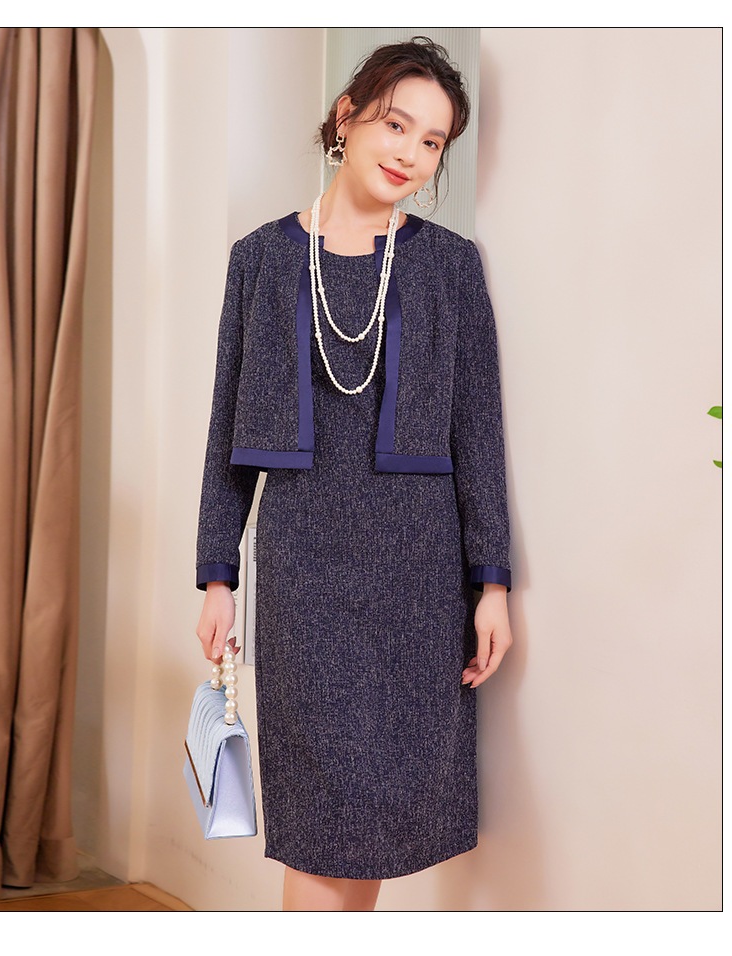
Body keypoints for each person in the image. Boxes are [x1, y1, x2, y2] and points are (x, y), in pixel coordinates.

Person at [195, 35, 513, 912]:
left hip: (418, 581)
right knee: (321, 818)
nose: (410, 152)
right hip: (303, 574)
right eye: (395, 124)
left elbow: (478, 432)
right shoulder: (259, 260)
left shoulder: (450, 266)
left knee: (374, 820)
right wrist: (217, 576)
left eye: (433, 140)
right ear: (347, 118)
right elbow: (226, 430)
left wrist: (492, 584)